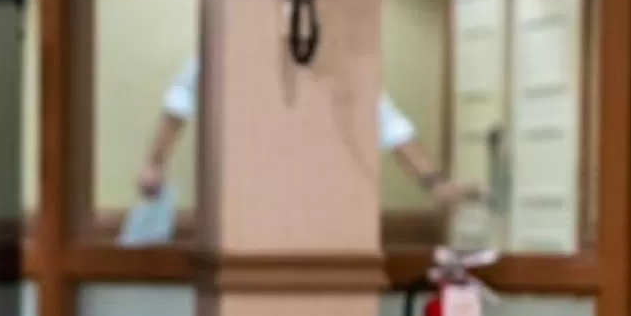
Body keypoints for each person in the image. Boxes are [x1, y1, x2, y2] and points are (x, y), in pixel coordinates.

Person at [127, 52, 474, 232]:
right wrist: (154, 165)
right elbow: (177, 107)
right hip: (242, 205)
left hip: (318, 207)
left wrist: (435, 184)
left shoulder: (339, 68)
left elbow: (392, 127)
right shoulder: (220, 56)